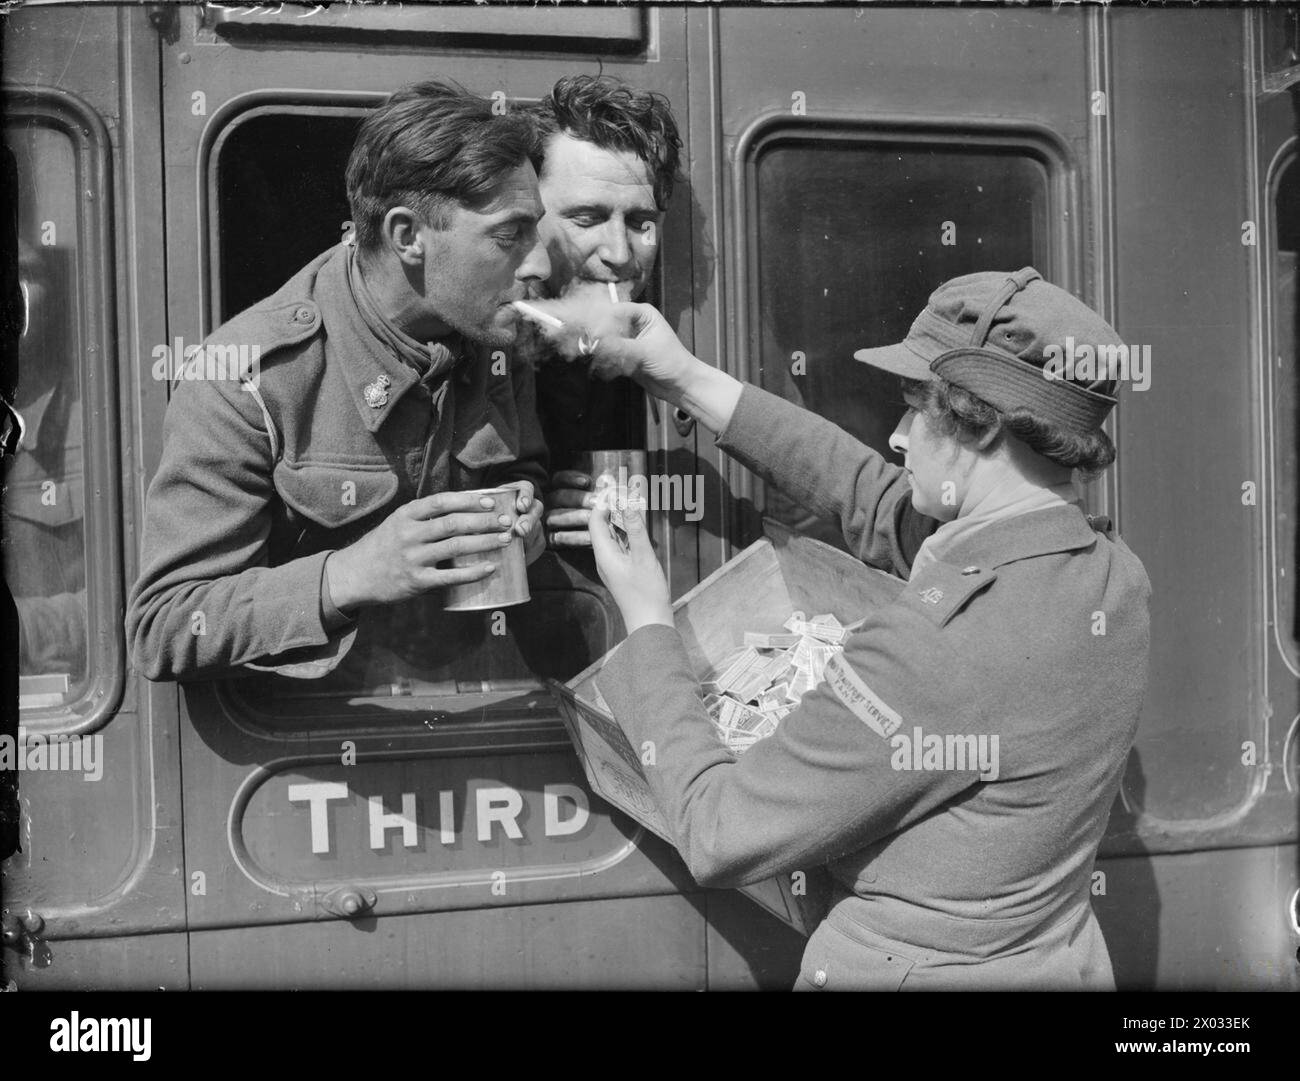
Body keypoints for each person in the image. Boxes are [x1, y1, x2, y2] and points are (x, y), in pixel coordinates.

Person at [540, 267, 1151, 989]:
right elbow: (869, 493)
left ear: (981, 424)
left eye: (914, 407)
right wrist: (685, 378)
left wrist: (645, 613)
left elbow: (719, 831)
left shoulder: (932, 648)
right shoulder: (1111, 575)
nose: (895, 436)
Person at [127, 80, 551, 681]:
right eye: (511, 235)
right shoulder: (249, 378)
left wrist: (526, 524)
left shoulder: (496, 338)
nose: (540, 263)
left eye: (537, 230)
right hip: (310, 740)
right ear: (408, 237)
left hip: (473, 709)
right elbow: (164, 627)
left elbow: (520, 468)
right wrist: (349, 576)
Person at [525, 75, 683, 548]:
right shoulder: (485, 348)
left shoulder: (661, 345)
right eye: (587, 219)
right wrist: (531, 514)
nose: (618, 253)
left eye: (640, 223)